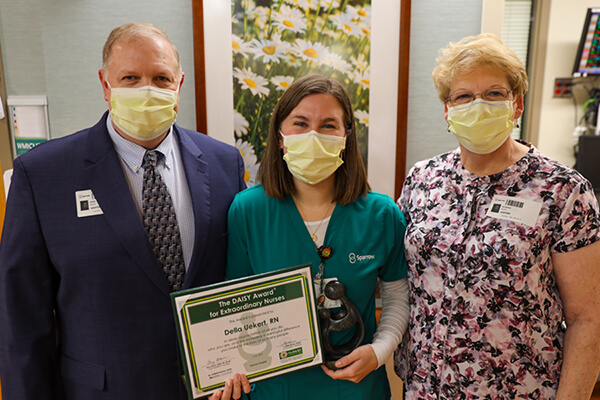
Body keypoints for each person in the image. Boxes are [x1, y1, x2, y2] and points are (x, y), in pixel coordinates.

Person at [0, 22, 249, 400]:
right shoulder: (42, 175)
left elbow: (240, 280)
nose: (146, 90)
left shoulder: (224, 164)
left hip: (211, 390)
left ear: (179, 85)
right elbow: (21, 320)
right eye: (130, 78)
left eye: (161, 78)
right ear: (105, 84)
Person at [395, 33, 600, 399]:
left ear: (516, 105)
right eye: (463, 96)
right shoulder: (423, 179)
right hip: (425, 389)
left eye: (493, 94)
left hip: (520, 389)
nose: (478, 106)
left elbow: (589, 319)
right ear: (447, 109)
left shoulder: (563, 190)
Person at [225, 73, 410, 400]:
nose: (313, 135)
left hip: (356, 387)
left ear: (346, 137)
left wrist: (379, 352)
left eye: (328, 125)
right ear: (280, 137)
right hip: (277, 389)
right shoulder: (247, 211)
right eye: (299, 123)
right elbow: (237, 309)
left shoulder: (382, 215)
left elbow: (397, 299)